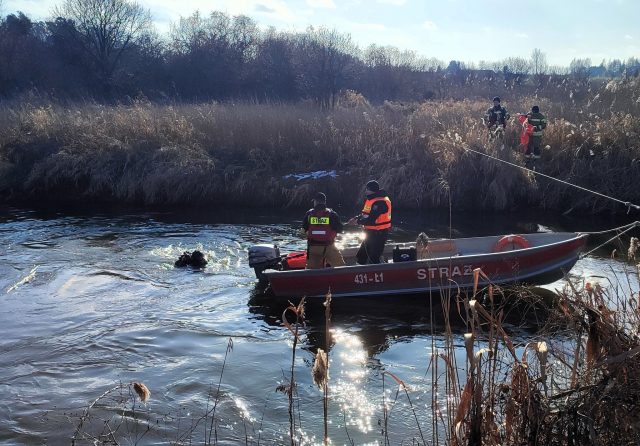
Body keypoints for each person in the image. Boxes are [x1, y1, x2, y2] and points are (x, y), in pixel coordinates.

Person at [348, 180, 392, 265]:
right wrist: (356, 218)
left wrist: (357, 222)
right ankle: (359, 270)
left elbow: (372, 219)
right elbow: (366, 214)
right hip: (370, 233)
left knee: (374, 257)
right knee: (361, 255)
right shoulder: (371, 200)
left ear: (372, 190)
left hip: (379, 233)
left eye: (367, 189)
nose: (366, 191)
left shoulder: (380, 202)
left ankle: (376, 273)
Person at [302, 192, 346, 269]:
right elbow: (340, 229)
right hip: (328, 247)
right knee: (341, 267)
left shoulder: (309, 214)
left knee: (310, 271)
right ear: (324, 201)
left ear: (315, 202)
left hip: (313, 248)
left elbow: (303, 230)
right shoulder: (332, 214)